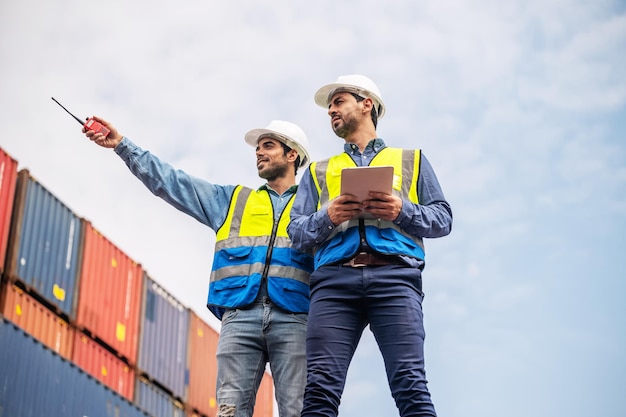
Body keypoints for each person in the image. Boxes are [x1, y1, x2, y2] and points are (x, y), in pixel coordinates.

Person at [83, 118, 314, 417]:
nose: (258, 153)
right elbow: (172, 182)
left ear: (292, 154)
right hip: (239, 318)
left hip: (295, 317)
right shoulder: (233, 200)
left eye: (268, 146)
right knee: (229, 411)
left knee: (299, 411)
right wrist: (122, 146)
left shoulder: (314, 207)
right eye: (257, 148)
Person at [287, 74, 453, 417]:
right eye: (329, 106)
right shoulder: (318, 171)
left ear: (367, 105)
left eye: (338, 102)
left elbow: (443, 219)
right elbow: (297, 234)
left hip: (395, 280)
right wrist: (328, 216)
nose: (331, 111)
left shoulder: (412, 159)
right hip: (333, 284)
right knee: (319, 391)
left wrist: (400, 209)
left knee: (410, 385)